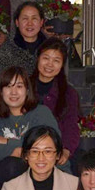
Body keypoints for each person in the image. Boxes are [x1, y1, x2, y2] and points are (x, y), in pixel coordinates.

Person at [0, 66, 61, 184]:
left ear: (27, 90)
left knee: (11, 165)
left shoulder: (41, 113)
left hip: (48, 173)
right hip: (12, 175)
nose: (13, 92)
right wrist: (23, 149)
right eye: (8, 86)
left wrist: (7, 141)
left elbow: (50, 144)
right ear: (1, 92)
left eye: (19, 86)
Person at [30, 37, 79, 166]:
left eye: (56, 60)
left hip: (54, 148)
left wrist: (66, 150)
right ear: (38, 58)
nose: (50, 64)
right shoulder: (23, 87)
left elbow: (71, 124)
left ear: (62, 65)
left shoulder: (69, 93)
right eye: (46, 58)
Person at [0, 1, 47, 86]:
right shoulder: (8, 48)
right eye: (25, 18)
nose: (30, 23)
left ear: (41, 22)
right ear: (17, 23)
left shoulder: (49, 47)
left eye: (34, 18)